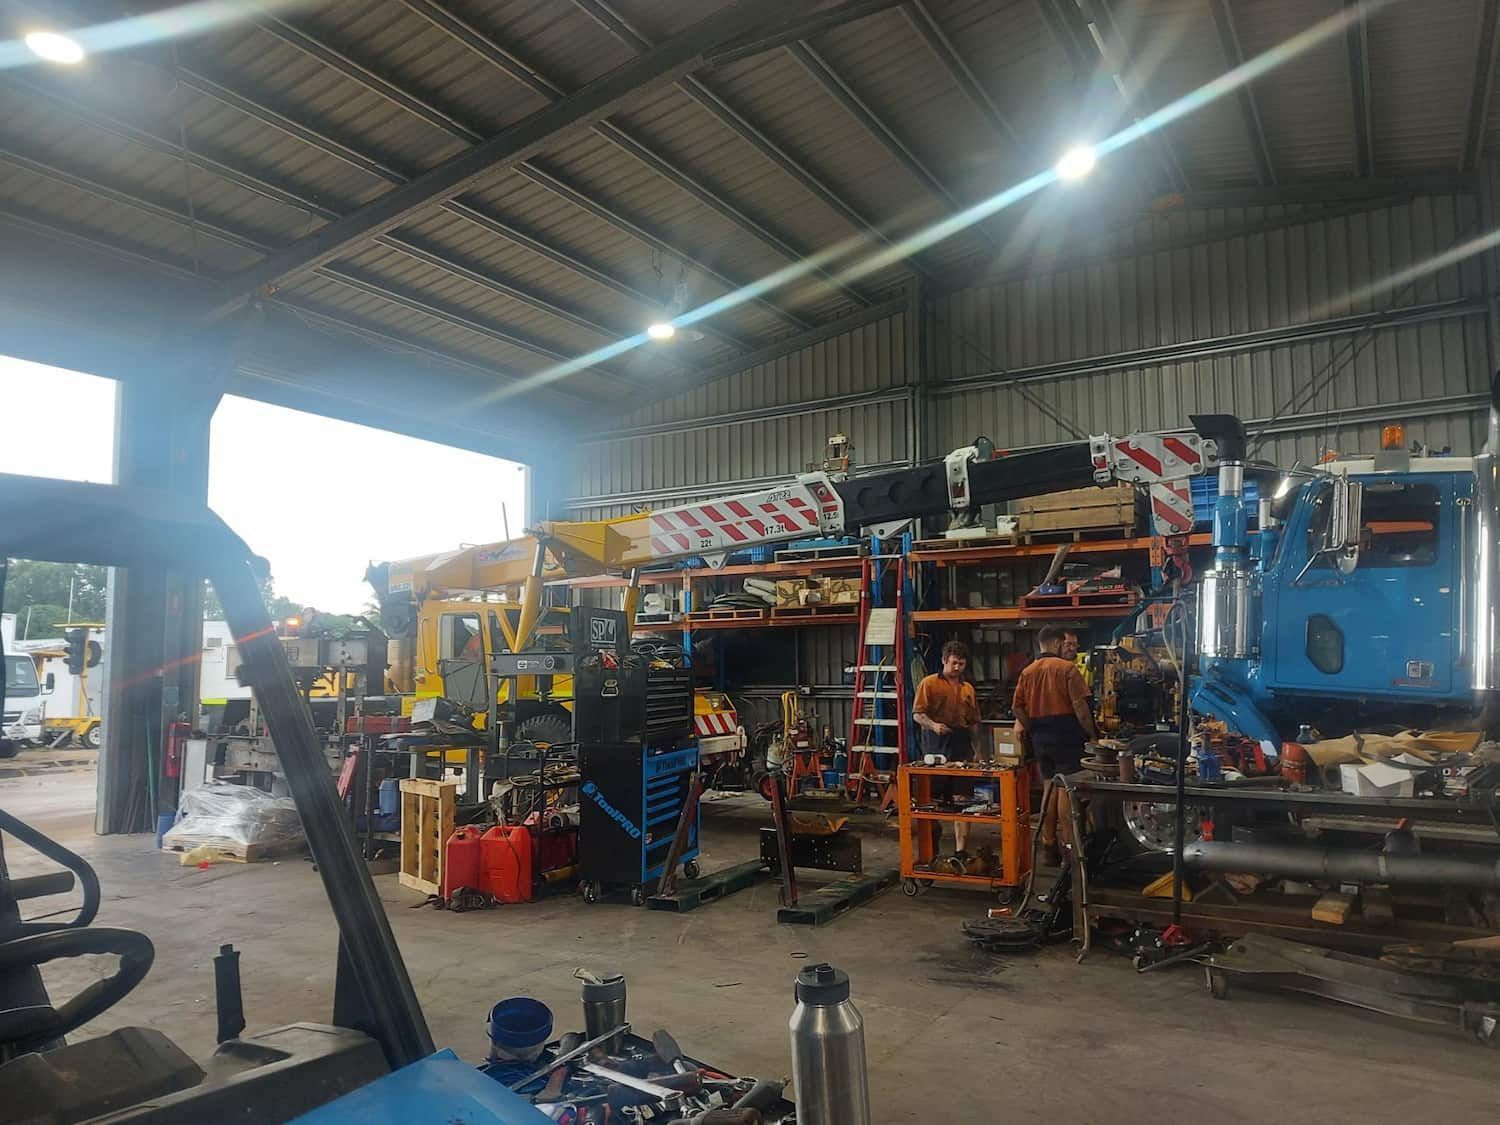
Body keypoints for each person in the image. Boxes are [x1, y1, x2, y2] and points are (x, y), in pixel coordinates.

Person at [1012, 626, 1097, 863]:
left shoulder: (1027, 672)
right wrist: (1091, 734)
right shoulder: (1067, 669)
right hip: (1066, 732)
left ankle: (1049, 845)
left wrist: (1031, 727)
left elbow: (1016, 707)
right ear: (1058, 644)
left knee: (1049, 785)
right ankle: (1070, 847)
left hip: (1040, 735)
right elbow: (1080, 707)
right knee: (1065, 788)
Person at [913, 640, 981, 856]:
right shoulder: (929, 683)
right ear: (944, 661)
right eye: (953, 663)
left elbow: (974, 721)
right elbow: (917, 715)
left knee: (964, 800)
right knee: (930, 800)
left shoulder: (968, 689)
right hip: (936, 743)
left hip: (961, 743)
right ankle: (930, 847)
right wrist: (933, 725)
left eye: (961, 664)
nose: (957, 668)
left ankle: (960, 852)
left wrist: (979, 749)